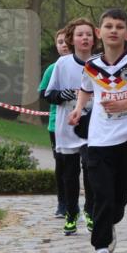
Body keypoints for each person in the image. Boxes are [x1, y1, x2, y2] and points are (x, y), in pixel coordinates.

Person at [68, 8, 127, 253]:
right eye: (108, 26)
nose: (113, 30)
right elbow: (85, 88)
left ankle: (111, 222)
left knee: (117, 201)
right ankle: (101, 250)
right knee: (102, 195)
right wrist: (78, 108)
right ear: (99, 32)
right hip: (98, 139)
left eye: (119, 26)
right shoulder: (92, 65)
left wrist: (123, 104)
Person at [44, 18, 97, 235]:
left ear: (94, 39)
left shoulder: (101, 64)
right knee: (69, 173)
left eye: (88, 34)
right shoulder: (62, 64)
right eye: (79, 34)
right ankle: (71, 211)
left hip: (93, 126)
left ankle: (90, 211)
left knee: (90, 168)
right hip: (67, 125)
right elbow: (48, 94)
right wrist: (65, 94)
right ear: (71, 39)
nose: (84, 38)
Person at [39, 28, 70, 217]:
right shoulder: (53, 68)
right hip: (57, 124)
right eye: (60, 42)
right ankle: (63, 203)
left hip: (84, 123)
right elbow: (43, 93)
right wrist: (60, 96)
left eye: (67, 40)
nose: (64, 44)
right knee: (62, 164)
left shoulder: (87, 64)